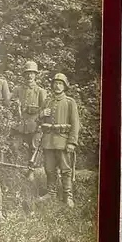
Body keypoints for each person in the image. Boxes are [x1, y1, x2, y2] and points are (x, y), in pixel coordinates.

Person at [38, 73, 80, 208]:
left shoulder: (69, 102)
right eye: (55, 83)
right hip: (48, 141)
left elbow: (75, 123)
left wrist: (72, 142)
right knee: (49, 169)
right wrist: (41, 114)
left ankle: (68, 196)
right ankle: (51, 193)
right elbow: (39, 121)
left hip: (63, 141)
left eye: (60, 83)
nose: (57, 86)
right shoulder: (47, 102)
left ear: (65, 86)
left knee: (65, 169)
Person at [10, 61, 47, 180]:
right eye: (27, 73)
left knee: (34, 148)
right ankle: (14, 170)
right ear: (24, 75)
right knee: (14, 146)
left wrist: (41, 121)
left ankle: (31, 171)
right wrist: (14, 105)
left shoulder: (41, 91)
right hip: (19, 125)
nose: (30, 76)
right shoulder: (17, 89)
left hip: (35, 125)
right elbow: (10, 105)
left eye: (32, 73)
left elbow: (46, 111)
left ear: (36, 75)